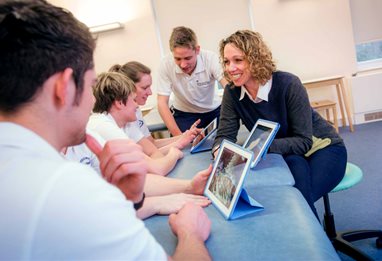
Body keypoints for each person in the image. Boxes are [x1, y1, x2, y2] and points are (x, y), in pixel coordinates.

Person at [0, 1, 211, 260]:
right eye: (89, 86)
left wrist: (135, 199)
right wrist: (191, 232)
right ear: (64, 87)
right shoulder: (69, 190)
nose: (92, 101)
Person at [213, 30, 347, 217]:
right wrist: (220, 151)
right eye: (226, 62)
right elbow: (224, 134)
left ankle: (314, 244)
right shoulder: (232, 92)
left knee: (298, 199)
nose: (230, 68)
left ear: (255, 58)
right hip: (288, 153)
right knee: (285, 197)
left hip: (322, 148)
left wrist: (257, 147)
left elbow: (303, 141)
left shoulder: (288, 84)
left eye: (238, 60)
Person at [63, 139, 212, 220]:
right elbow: (90, 218)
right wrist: (190, 235)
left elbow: (128, 184)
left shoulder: (84, 140)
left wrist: (189, 186)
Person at [87, 71, 183, 176]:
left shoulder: (125, 122)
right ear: (119, 103)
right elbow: (158, 169)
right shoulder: (103, 126)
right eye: (133, 100)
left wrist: (160, 163)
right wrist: (174, 153)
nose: (136, 106)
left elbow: (153, 153)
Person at [110, 62, 201, 154]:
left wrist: (186, 136)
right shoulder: (120, 119)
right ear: (129, 87)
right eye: (145, 88)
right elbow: (148, 155)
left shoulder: (136, 110)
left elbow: (151, 144)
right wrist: (180, 143)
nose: (150, 92)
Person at [157, 26, 228, 136]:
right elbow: (162, 102)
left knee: (222, 143)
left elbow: (228, 86)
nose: (183, 65)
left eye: (187, 58)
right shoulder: (165, 64)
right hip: (184, 114)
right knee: (182, 148)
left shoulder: (210, 59)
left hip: (214, 110)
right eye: (178, 59)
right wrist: (179, 138)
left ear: (197, 50)